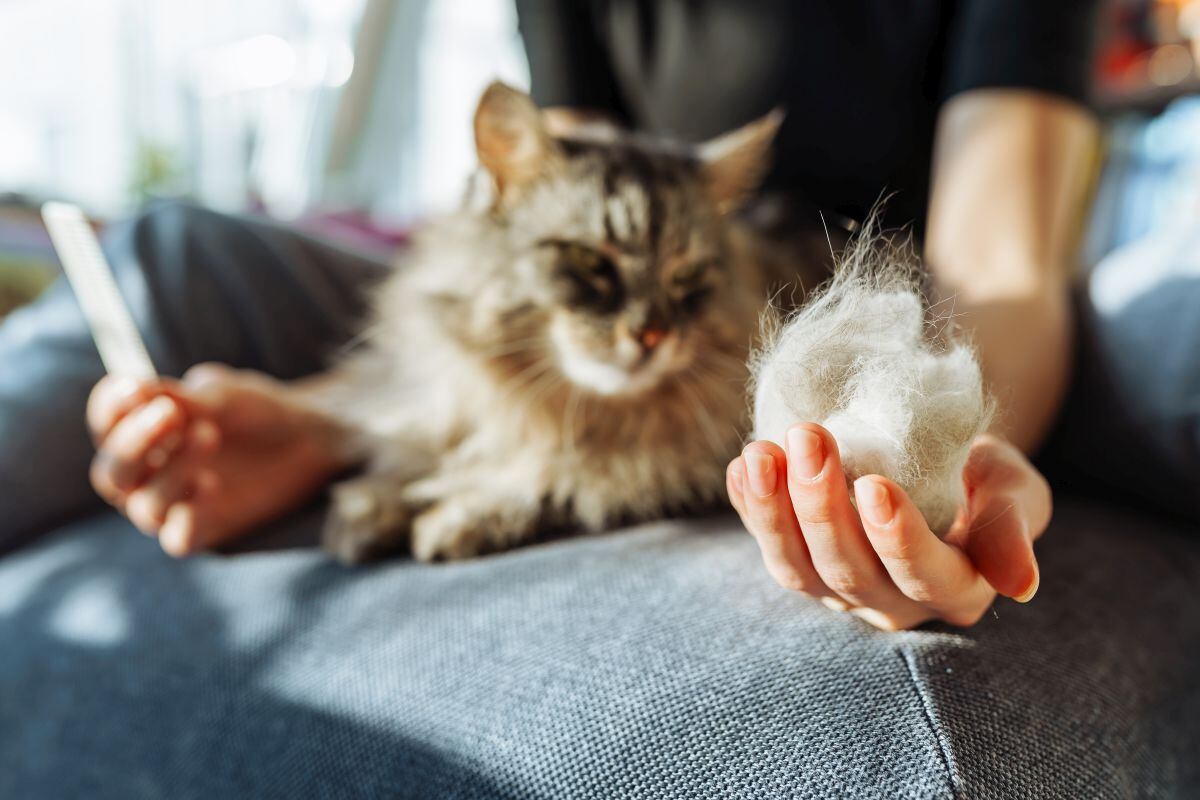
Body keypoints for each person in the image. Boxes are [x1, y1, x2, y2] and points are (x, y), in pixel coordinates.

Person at [1, 1, 1102, 631]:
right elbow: (541, 188)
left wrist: (962, 435)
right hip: (562, 267)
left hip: (786, 303)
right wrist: (330, 418)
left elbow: (997, 260)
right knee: (166, 247)